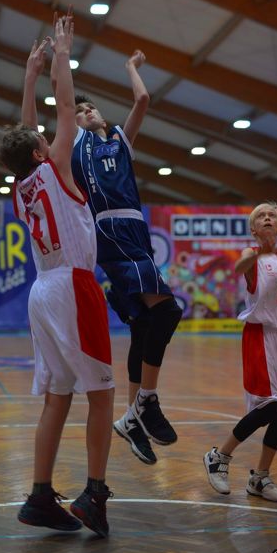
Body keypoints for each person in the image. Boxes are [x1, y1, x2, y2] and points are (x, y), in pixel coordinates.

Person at [0, 12, 115, 538]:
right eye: (43, 140)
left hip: (41, 290)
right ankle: (94, 493)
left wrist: (29, 77)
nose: (49, 137)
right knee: (103, 394)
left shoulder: (21, 186)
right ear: (40, 153)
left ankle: (40, 495)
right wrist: (61, 56)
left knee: (58, 396)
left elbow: (28, 130)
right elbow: (65, 109)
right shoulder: (56, 166)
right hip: (73, 284)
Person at [70, 52, 182, 466]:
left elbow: (143, 99)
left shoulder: (119, 138)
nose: (87, 112)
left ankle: (133, 419)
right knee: (167, 311)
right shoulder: (76, 145)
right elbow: (66, 109)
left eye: (91, 107)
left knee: (144, 324)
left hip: (135, 230)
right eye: (79, 110)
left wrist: (130, 67)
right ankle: (146, 402)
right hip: (109, 229)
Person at [203, 202, 277, 502]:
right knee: (270, 406)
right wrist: (252, 255)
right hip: (260, 335)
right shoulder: (252, 256)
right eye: (261, 216)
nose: (267, 218)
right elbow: (239, 268)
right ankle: (219, 457)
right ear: (254, 229)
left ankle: (260, 478)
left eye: (272, 216)